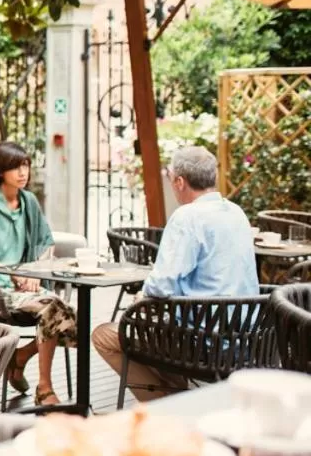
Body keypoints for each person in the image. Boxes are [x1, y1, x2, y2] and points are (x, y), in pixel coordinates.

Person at [93, 146, 259, 401]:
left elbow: (162, 284)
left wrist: (142, 296)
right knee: (157, 327)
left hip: (200, 344)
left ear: (180, 182)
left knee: (104, 335)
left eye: (170, 178)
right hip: (246, 341)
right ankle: (184, 398)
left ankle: (168, 410)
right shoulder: (237, 213)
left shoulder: (188, 217)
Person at [0, 141, 73, 407]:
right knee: (55, 310)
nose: (23, 173)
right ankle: (44, 388)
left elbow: (46, 243)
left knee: (70, 313)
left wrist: (33, 271)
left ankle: (21, 357)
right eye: (15, 167)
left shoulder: (28, 201)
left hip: (27, 287)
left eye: (25, 166)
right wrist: (7, 271)